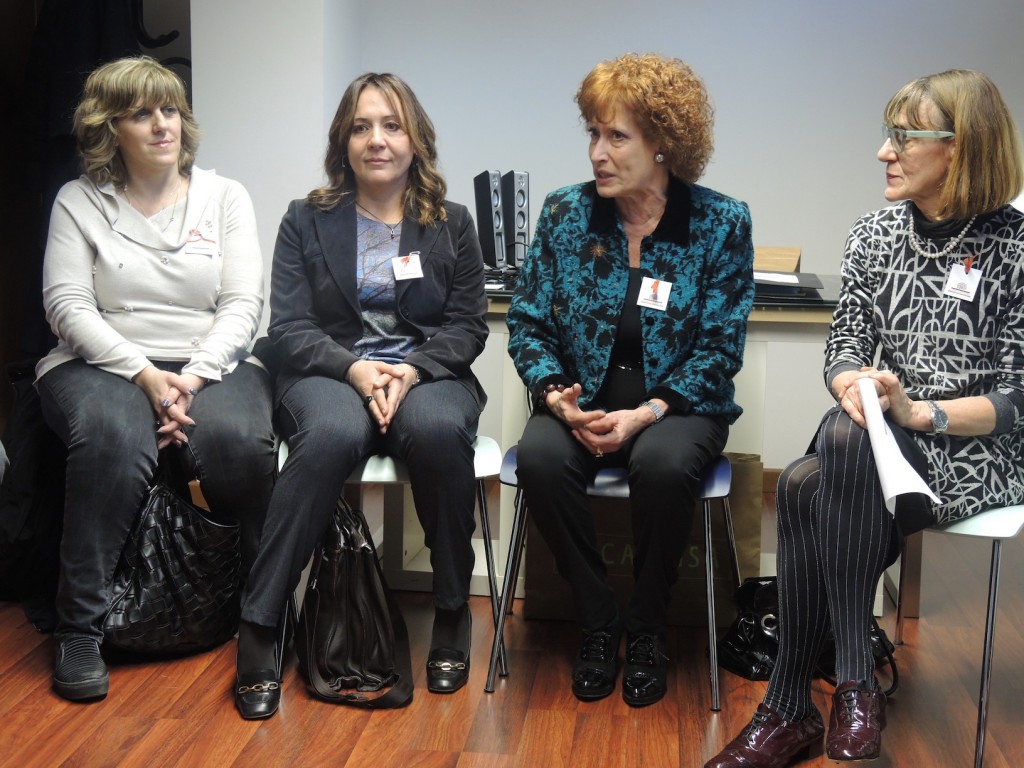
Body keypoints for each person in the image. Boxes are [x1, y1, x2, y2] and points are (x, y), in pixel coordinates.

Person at [707, 69, 1024, 767]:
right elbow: (845, 342)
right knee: (840, 445)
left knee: (804, 482)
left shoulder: (1015, 247)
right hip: (877, 446)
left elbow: (1012, 403)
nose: (885, 151)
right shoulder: (873, 235)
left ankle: (796, 703)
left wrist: (916, 409)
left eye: (904, 137)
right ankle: (848, 687)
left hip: (969, 452)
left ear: (961, 146)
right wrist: (854, 382)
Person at [234, 72, 488, 719]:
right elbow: (288, 327)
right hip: (329, 375)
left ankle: (452, 611)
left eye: (391, 125)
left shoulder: (452, 225)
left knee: (436, 433)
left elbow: (466, 326)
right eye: (361, 126)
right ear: (343, 140)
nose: (376, 139)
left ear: (416, 139)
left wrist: (412, 369)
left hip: (424, 377)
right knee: (328, 438)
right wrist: (353, 369)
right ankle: (262, 625)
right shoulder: (306, 219)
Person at [505, 53, 755, 708]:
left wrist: (647, 412)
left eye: (617, 136)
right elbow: (528, 324)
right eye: (592, 132)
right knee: (537, 457)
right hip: (582, 399)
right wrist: (556, 396)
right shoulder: (564, 214)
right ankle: (597, 617)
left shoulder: (721, 222)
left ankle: (646, 625)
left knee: (666, 466)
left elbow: (720, 344)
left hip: (678, 405)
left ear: (664, 143)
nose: (597, 152)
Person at [35, 56, 275, 702]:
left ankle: (258, 617)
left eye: (169, 109)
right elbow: (66, 307)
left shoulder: (225, 197)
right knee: (113, 439)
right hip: (100, 364)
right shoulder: (79, 201)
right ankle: (80, 629)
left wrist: (190, 378)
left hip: (210, 363)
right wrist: (143, 375)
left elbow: (243, 305)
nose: (162, 124)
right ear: (109, 128)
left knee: (240, 445)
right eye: (141, 113)